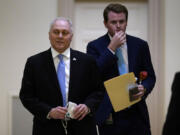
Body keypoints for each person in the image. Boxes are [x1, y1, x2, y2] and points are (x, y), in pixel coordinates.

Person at [19, 17, 104, 135]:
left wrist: (87, 106)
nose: (60, 36)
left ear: (71, 36)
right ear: (49, 35)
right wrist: (49, 111)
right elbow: (26, 96)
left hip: (82, 128)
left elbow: (98, 91)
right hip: (47, 129)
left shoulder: (87, 61)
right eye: (56, 32)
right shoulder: (34, 63)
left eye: (64, 32)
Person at [86, 3, 156, 135]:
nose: (118, 25)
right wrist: (111, 48)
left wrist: (144, 88)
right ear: (105, 23)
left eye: (121, 21)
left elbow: (151, 76)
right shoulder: (94, 46)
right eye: (113, 22)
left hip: (136, 112)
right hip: (110, 114)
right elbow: (93, 76)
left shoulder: (140, 45)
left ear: (126, 22)